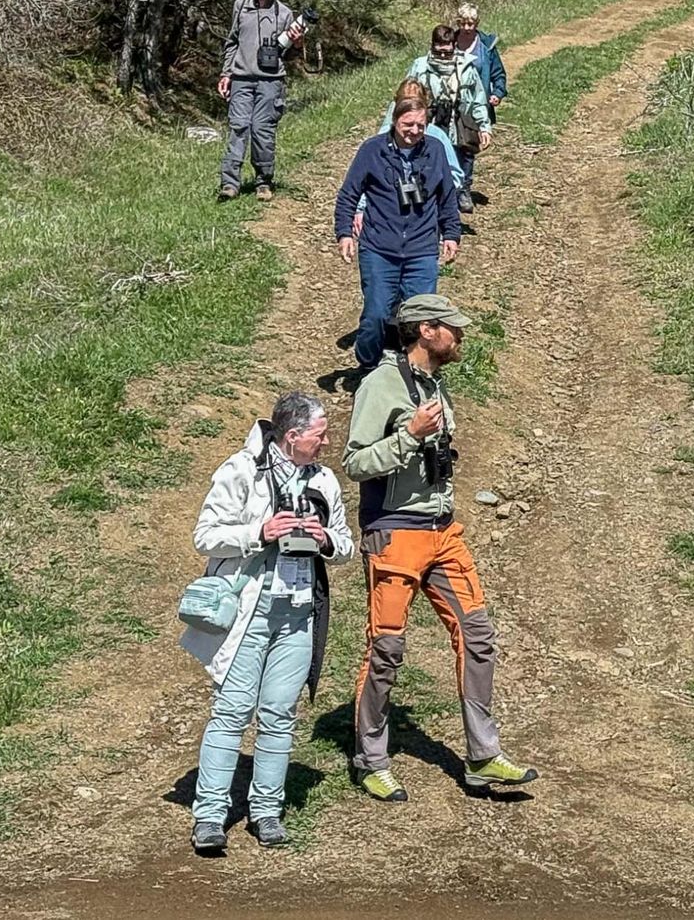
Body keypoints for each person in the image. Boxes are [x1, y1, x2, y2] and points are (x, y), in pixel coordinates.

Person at [343, 294, 537, 802]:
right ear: (426, 331)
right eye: (453, 328)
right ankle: (371, 758)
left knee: (478, 638)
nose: (461, 336)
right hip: (395, 535)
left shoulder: (434, 384)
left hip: (444, 534)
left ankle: (483, 756)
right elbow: (357, 463)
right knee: (386, 649)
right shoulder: (380, 385)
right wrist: (409, 435)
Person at [182, 392, 354, 851]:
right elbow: (205, 536)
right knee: (232, 712)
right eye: (320, 435)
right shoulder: (241, 471)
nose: (326, 442)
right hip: (249, 613)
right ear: (292, 436)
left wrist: (325, 541)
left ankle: (267, 812)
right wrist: (260, 532)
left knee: (280, 714)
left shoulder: (325, 480)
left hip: (298, 614)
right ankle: (209, 816)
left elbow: (345, 544)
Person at [334, 91, 461, 372]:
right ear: (394, 122)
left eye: (420, 126)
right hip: (380, 248)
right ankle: (368, 365)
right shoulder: (372, 150)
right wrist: (345, 232)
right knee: (377, 314)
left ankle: (416, 371)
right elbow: (348, 195)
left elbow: (447, 196)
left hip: (422, 250)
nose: (414, 132)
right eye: (408, 125)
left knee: (422, 318)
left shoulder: (435, 150)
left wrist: (451, 233)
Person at [217, 0, 306, 204]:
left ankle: (263, 181)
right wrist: (226, 74)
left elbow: (290, 55)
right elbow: (232, 42)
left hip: (271, 82)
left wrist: (298, 43)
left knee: (262, 131)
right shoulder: (241, 6)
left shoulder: (286, 13)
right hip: (241, 78)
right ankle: (229, 183)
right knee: (238, 128)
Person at [353, 79, 465, 241]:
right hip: (386, 217)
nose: (413, 131)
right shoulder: (381, 139)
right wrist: (361, 209)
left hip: (425, 220)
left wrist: (432, 190)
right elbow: (368, 177)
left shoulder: (436, 138)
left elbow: (453, 176)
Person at [405, 25, 492, 214]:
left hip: (459, 122)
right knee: (424, 164)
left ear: (454, 46)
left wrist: (484, 127)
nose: (443, 57)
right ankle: (423, 206)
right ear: (432, 46)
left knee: (461, 160)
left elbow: (478, 99)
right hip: (428, 124)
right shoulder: (420, 67)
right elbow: (406, 97)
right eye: (439, 52)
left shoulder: (466, 67)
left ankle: (461, 193)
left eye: (448, 52)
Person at [454, 3, 507, 204]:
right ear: (458, 22)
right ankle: (450, 187)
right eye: (463, 23)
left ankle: (464, 189)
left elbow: (498, 74)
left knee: (468, 146)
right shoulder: (449, 41)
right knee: (449, 146)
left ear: (477, 23)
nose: (467, 28)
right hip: (451, 102)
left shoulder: (486, 46)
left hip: (475, 104)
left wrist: (497, 93)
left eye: (471, 23)